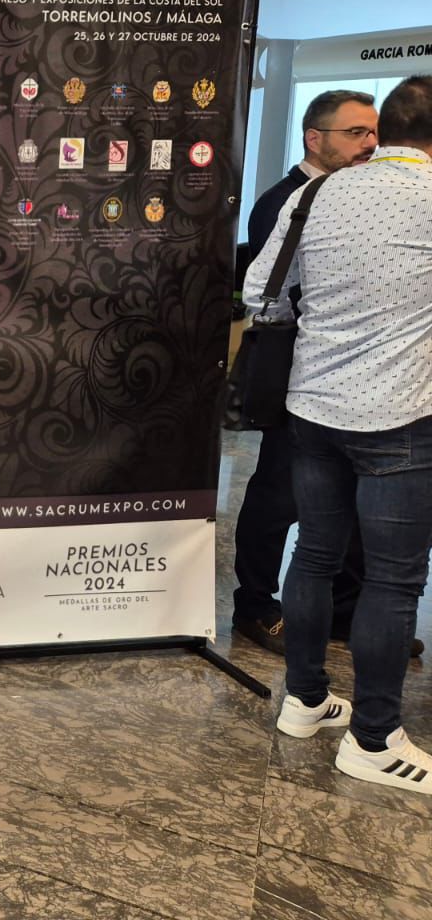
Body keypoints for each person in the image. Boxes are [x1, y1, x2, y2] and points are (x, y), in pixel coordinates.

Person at [249, 76, 432, 794]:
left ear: (386, 129)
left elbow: (262, 293)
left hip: (312, 410)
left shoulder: (319, 191)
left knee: (316, 555)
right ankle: (375, 741)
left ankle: (305, 700)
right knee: (392, 580)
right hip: (401, 414)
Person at [232, 90, 377, 654]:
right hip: (297, 368)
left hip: (354, 374)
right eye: (355, 133)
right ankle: (254, 606)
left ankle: (343, 610)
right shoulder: (282, 201)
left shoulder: (360, 196)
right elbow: (276, 293)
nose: (369, 144)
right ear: (315, 138)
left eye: (373, 132)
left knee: (355, 495)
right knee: (278, 493)